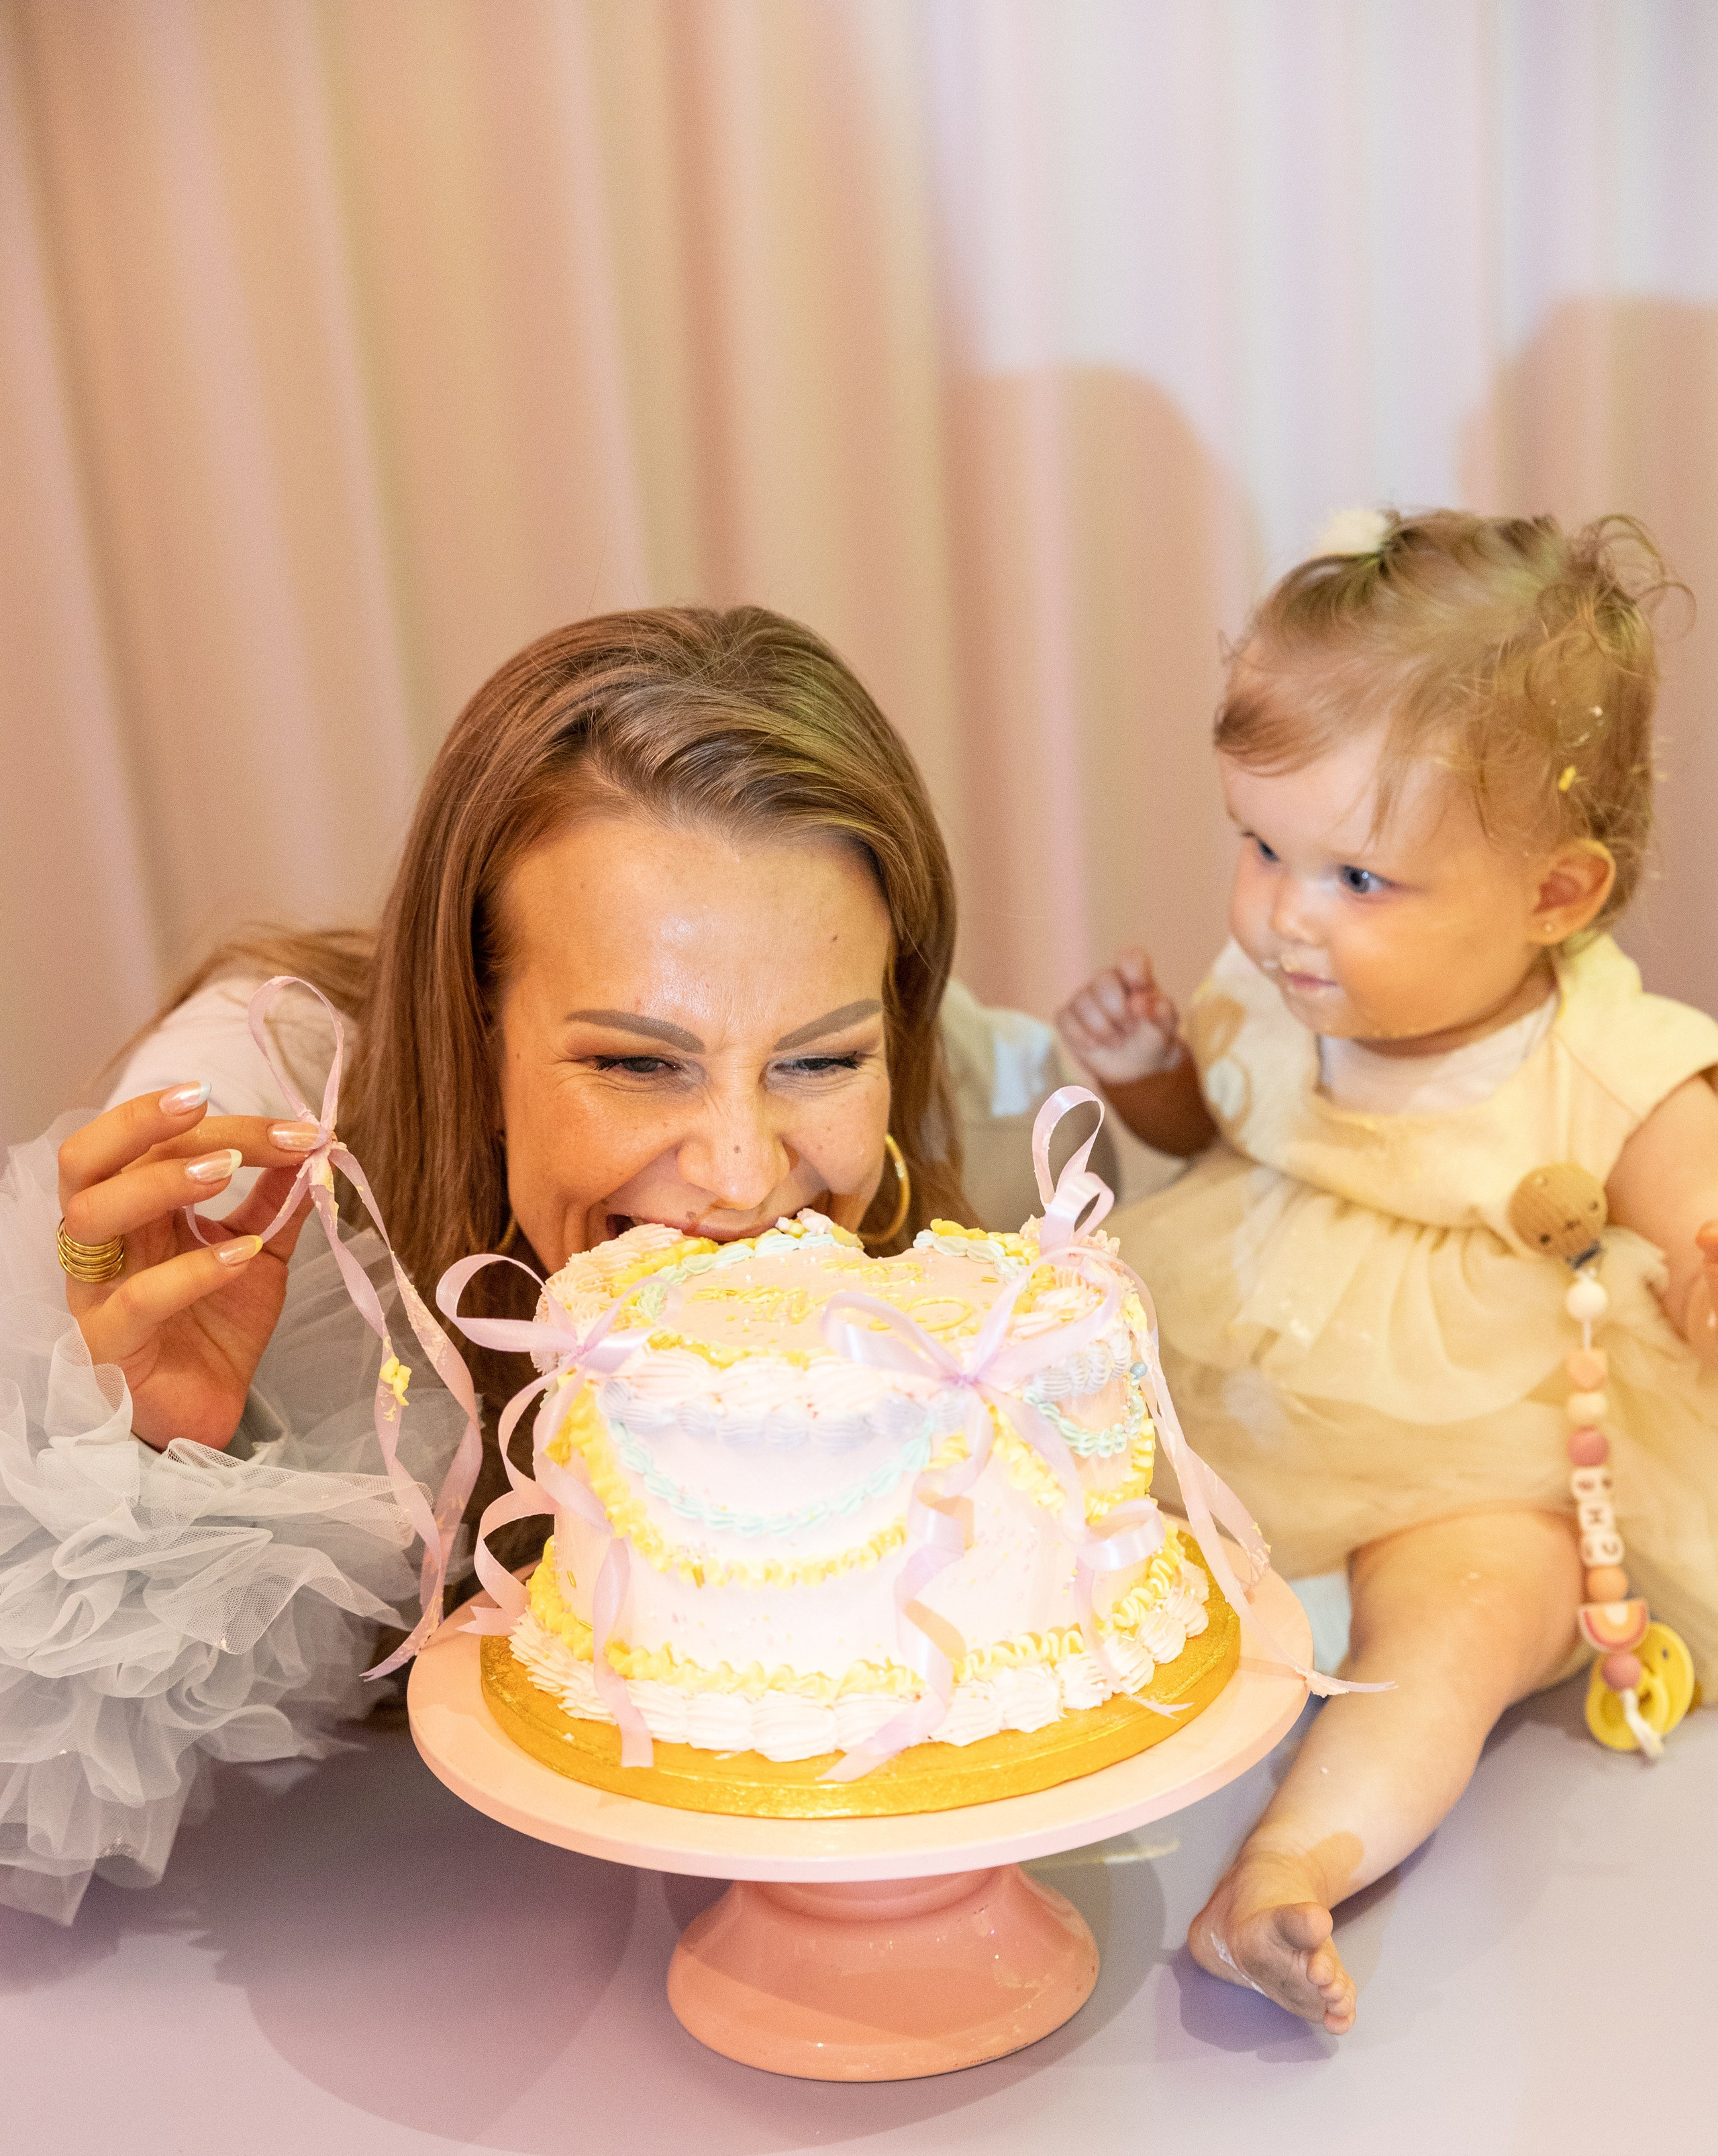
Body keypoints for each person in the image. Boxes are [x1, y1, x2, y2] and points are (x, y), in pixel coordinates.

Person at [1, 607, 1105, 1924]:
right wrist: (152, 1463)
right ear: (471, 1021)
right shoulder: (256, 1161)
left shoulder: (954, 1095)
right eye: (637, 1063)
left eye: (817, 1060)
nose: (742, 1177)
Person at [1057, 510, 1718, 2035]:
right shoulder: (1283, 988)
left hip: (1483, 1435)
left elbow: (1690, 1199)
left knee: (1475, 1608)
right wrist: (1150, 1073)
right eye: (1257, 844)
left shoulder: (1604, 1056)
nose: (1283, 912)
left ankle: (1290, 1869)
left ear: (1554, 897)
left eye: (1354, 876)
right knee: (1040, 1430)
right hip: (1238, 1331)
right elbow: (1213, 1124)